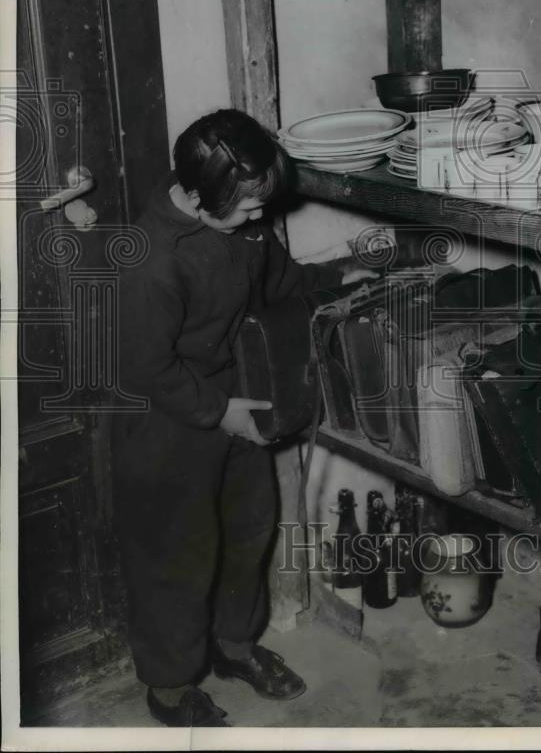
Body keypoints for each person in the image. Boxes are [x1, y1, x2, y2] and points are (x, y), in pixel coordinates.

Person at [112, 108, 370, 727]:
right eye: (248, 205)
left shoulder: (245, 227)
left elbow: (279, 281)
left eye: (262, 203)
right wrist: (217, 411)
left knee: (250, 528)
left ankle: (234, 647)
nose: (260, 216)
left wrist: (339, 275)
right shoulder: (152, 258)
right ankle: (170, 688)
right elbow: (144, 368)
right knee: (178, 553)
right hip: (166, 421)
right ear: (199, 196)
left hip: (236, 401)